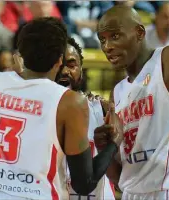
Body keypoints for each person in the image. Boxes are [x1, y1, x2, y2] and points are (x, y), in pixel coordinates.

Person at [0, 17, 122, 200]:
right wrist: (113, 143)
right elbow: (84, 183)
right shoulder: (68, 101)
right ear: (59, 60)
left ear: (20, 55)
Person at [95, 5, 169, 199]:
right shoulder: (118, 92)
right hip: (131, 193)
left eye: (115, 36)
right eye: (102, 39)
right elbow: (120, 175)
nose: (107, 46)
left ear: (139, 32)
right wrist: (104, 147)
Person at [57, 37, 116, 200]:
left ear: (81, 69)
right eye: (59, 64)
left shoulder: (102, 109)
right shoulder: (38, 110)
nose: (64, 71)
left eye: (71, 64)